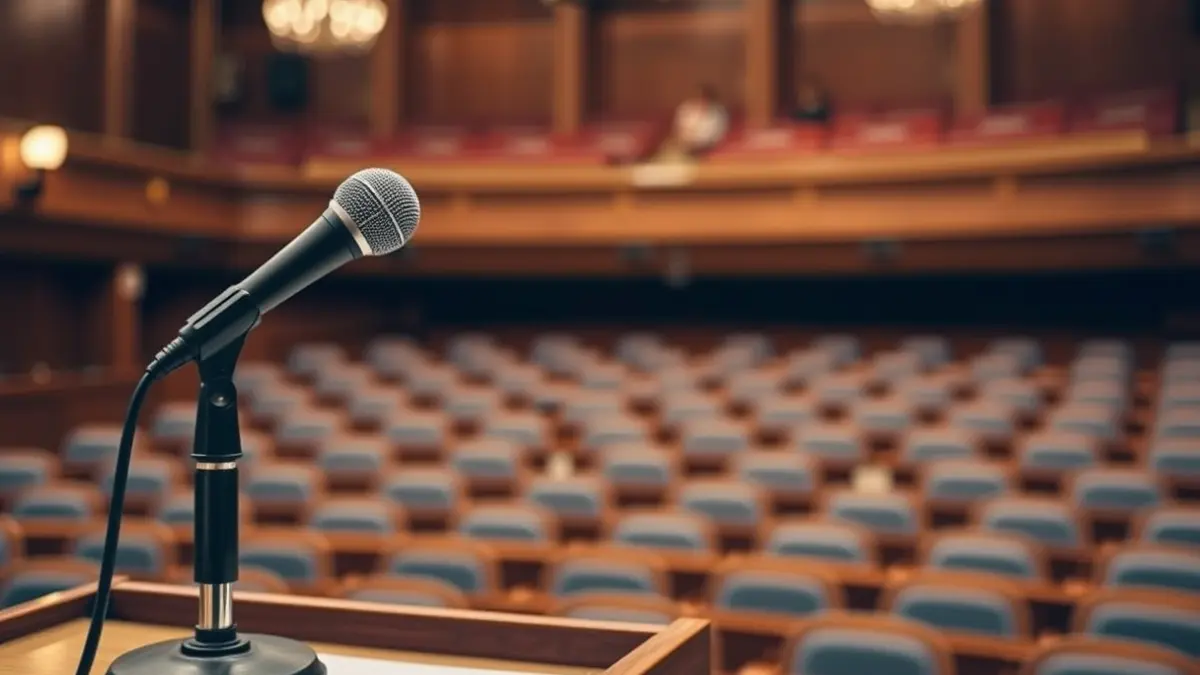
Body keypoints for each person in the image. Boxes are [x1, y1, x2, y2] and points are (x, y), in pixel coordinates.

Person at [663, 84, 729, 159]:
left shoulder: (719, 113)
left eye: (705, 97)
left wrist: (701, 144)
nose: (702, 100)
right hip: (685, 147)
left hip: (708, 149)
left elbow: (718, 136)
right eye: (700, 97)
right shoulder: (686, 108)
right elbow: (679, 130)